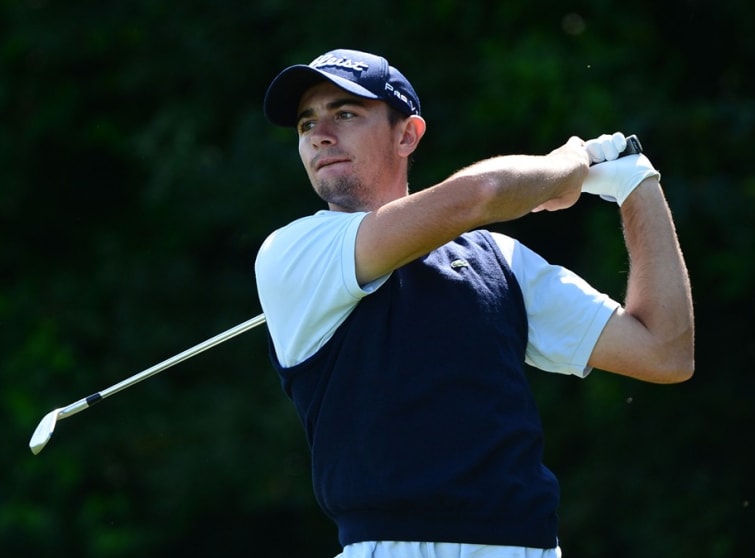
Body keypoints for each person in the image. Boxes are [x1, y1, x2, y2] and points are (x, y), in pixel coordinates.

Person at [254, 48, 694, 558]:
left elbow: (664, 351)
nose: (319, 135)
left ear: (407, 135)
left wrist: (637, 185)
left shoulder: (499, 260)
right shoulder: (291, 252)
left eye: (345, 113)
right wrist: (565, 166)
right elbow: (479, 194)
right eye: (307, 123)